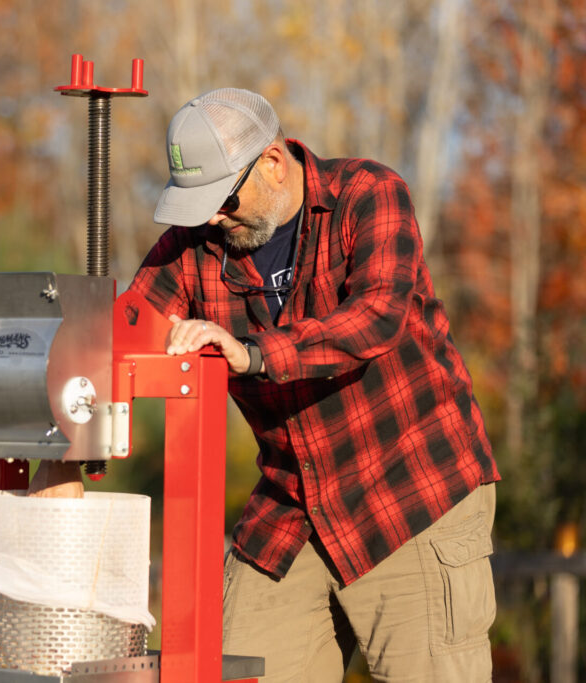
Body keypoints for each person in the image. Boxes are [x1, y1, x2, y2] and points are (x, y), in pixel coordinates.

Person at [127, 89, 501, 681]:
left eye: (222, 199)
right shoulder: (193, 244)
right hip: (292, 508)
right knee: (227, 669)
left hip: (408, 492)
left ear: (272, 163)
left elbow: (375, 317)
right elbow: (125, 332)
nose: (212, 219)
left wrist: (250, 355)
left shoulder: (368, 194)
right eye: (197, 207)